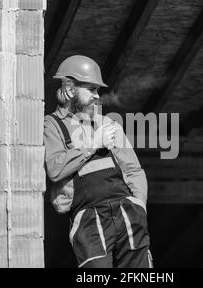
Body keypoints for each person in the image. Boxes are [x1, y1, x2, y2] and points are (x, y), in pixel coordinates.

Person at [44, 55, 153, 268]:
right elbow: (55, 169)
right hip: (88, 220)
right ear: (69, 88)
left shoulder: (108, 124)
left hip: (127, 213)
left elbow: (134, 170)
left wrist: (139, 205)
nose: (97, 96)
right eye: (91, 90)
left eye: (98, 90)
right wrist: (94, 142)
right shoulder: (52, 125)